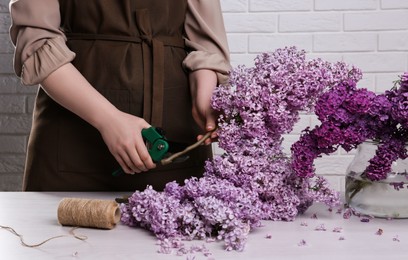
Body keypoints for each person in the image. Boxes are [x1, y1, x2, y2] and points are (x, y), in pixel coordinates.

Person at [9, 0, 230, 191]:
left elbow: (204, 45)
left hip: (177, 137)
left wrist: (204, 97)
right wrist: (108, 120)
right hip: (70, 143)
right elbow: (37, 44)